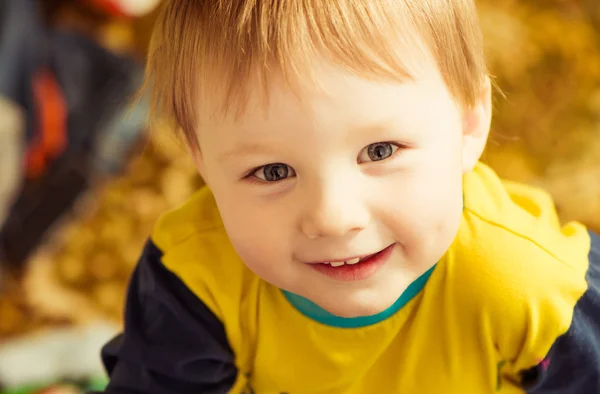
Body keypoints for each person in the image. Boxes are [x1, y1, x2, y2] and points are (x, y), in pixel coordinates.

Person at [95, 0, 600, 393]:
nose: (333, 218)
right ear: (200, 158)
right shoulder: (191, 278)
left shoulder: (531, 290)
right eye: (272, 171)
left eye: (380, 151)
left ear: (469, 124)